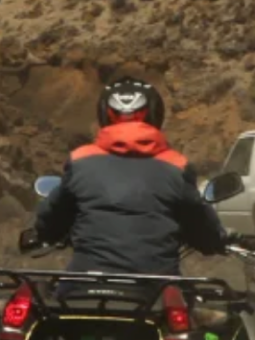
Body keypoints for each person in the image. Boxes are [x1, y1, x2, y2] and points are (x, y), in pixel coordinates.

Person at [27, 78, 234, 276]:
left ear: (104, 115)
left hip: (84, 285)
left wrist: (46, 234)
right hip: (157, 289)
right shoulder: (177, 165)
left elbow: (50, 220)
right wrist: (217, 240)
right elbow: (200, 225)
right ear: (154, 115)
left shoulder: (80, 160)